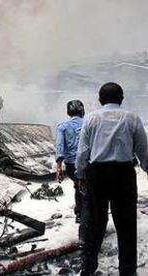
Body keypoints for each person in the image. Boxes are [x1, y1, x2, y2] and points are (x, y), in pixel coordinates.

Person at [76, 82, 148, 276]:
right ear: (122, 99)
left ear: (99, 99)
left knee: (95, 223)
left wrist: (81, 175)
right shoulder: (132, 118)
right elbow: (143, 150)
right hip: (123, 174)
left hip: (97, 174)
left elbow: (83, 152)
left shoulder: (91, 119)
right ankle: (127, 271)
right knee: (126, 224)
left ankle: (88, 268)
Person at [55, 100, 85, 224]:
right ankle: (88, 215)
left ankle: (79, 214)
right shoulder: (89, 124)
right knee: (88, 188)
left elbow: (60, 145)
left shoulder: (62, 126)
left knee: (78, 187)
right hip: (88, 163)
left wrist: (58, 168)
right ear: (82, 111)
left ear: (68, 112)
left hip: (71, 165)